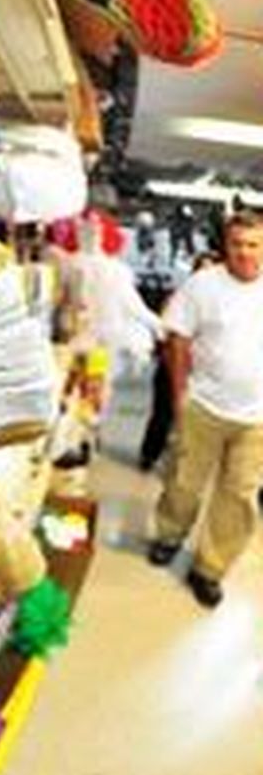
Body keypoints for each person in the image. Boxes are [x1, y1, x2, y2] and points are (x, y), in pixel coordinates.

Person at [148, 212, 263, 608]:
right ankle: (168, 536)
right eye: (238, 244)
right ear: (225, 245)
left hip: (257, 419)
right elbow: (177, 339)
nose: (246, 252)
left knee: (239, 497)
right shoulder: (203, 285)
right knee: (184, 481)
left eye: (254, 244)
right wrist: (179, 394)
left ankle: (209, 569)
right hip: (204, 405)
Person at [138, 250, 220, 472]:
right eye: (202, 269)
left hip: (203, 372)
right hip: (172, 365)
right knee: (163, 414)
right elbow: (164, 329)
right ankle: (150, 454)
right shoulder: (179, 297)